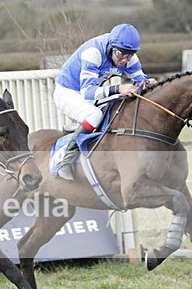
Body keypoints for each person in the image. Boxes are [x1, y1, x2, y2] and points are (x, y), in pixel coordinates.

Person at [52, 23, 157, 181]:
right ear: (111, 47)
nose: (124, 60)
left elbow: (140, 80)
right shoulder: (93, 52)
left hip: (87, 91)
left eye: (129, 55)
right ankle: (66, 161)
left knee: (117, 107)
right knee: (94, 115)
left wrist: (146, 83)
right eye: (120, 55)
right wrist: (118, 88)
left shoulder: (129, 56)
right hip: (67, 91)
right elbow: (87, 92)